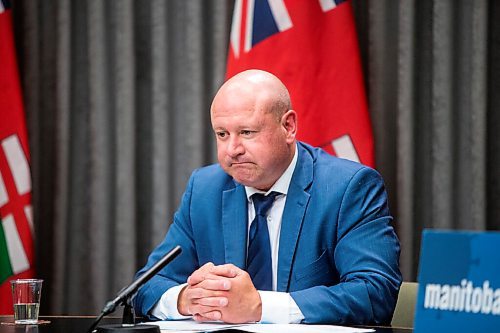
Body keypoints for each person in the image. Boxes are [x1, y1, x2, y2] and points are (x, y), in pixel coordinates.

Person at [133, 69, 402, 325]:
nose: (232, 149)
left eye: (247, 132)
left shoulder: (347, 188)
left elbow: (375, 293)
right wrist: (186, 300)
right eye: (222, 134)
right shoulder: (205, 190)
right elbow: (145, 286)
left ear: (288, 126)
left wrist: (259, 306)